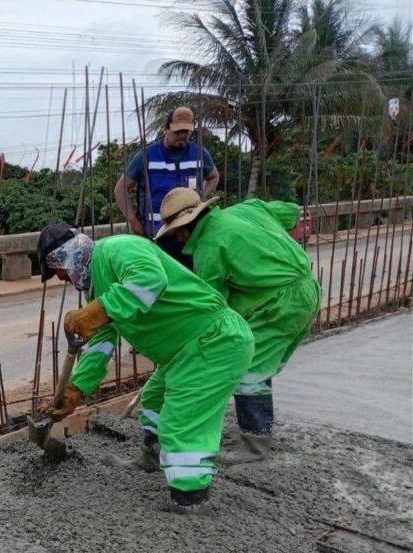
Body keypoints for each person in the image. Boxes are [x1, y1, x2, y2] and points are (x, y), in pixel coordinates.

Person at [37, 223, 253, 513]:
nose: (61, 278)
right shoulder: (97, 287)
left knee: (181, 421)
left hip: (213, 341)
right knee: (154, 400)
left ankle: (190, 499)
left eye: (57, 270)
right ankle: (151, 457)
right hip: (183, 353)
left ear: (66, 256)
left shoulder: (118, 248)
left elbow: (151, 279)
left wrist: (100, 311)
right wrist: (76, 390)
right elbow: (101, 344)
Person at [153, 188, 322, 464]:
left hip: (279, 306)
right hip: (309, 291)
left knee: (248, 370)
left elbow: (212, 308)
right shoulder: (249, 208)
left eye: (179, 230)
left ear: (189, 224)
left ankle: (255, 447)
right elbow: (292, 212)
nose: (179, 236)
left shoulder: (209, 247)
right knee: (262, 365)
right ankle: (258, 425)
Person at [114, 107, 219, 259]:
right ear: (166, 129)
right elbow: (120, 189)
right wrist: (134, 221)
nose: (182, 135)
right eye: (177, 131)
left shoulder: (199, 153)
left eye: (186, 132)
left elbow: (214, 177)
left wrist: (200, 199)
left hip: (189, 235)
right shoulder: (147, 156)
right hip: (156, 236)